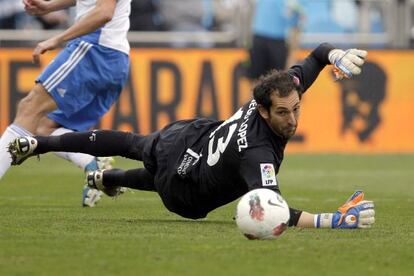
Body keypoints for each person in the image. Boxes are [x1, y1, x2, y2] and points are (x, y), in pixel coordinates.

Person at [8, 43, 375, 230]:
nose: (292, 118)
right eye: (283, 112)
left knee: (131, 142)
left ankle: (46, 147)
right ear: (263, 110)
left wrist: (337, 54)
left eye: (296, 108)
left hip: (189, 139)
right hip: (185, 192)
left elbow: (316, 55)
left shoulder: (281, 90)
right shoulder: (258, 154)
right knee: (160, 175)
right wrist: (334, 219)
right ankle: (103, 175)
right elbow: (277, 213)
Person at [0, 0, 131, 207]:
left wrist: (57, 39)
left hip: (95, 50)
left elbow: (104, 12)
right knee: (42, 127)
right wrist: (49, 6)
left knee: (29, 107)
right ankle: (91, 162)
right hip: (113, 58)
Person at [248, 0, 305, 80]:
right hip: (262, 37)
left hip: (276, 39)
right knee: (256, 77)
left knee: (276, 79)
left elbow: (295, 19)